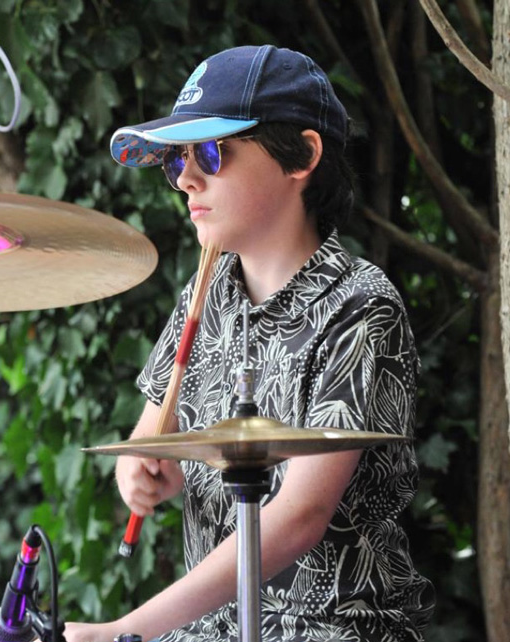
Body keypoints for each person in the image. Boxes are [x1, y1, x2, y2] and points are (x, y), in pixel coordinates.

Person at [65, 45, 435, 642]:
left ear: (302, 157)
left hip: (333, 628)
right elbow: (155, 438)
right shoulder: (204, 291)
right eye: (177, 160)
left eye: (213, 151)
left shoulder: (362, 307)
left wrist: (124, 632)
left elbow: (296, 520)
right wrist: (144, 472)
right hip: (216, 628)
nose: (186, 177)